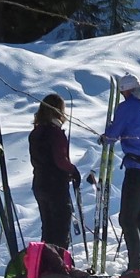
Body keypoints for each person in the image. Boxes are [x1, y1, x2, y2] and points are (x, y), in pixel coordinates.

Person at [102, 73, 140, 278]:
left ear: (126, 91)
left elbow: (112, 134)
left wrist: (107, 136)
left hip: (136, 168)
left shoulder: (128, 106)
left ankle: (134, 268)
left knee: (127, 218)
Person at [28, 93, 82, 250]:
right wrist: (73, 170)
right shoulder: (55, 133)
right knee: (60, 229)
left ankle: (46, 264)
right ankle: (58, 265)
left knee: (48, 227)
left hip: (39, 183)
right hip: (55, 185)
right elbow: (60, 160)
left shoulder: (36, 132)